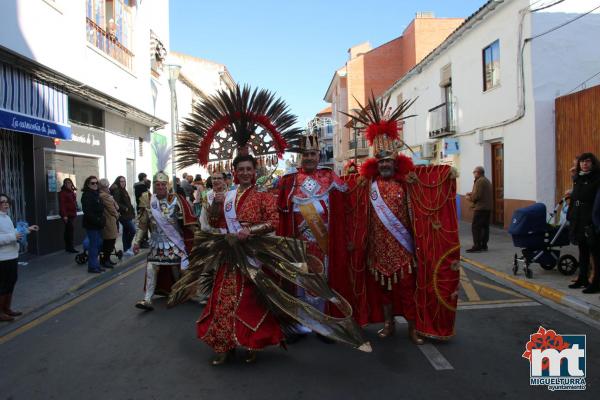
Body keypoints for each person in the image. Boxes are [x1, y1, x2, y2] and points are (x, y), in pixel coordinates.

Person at [197, 154, 283, 365]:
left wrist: (250, 230)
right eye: (241, 169)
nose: (245, 173)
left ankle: (251, 342)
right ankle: (224, 345)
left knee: (249, 301)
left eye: (248, 169)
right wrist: (216, 206)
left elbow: (274, 220)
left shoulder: (264, 195)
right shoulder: (228, 196)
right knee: (223, 298)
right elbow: (217, 221)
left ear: (255, 171)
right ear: (235, 172)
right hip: (230, 251)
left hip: (253, 254)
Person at [277, 128, 347, 340]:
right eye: (305, 154)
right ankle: (301, 324)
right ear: (301, 156)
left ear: (319, 155)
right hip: (298, 243)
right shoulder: (289, 181)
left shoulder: (330, 177)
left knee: (323, 281)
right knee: (300, 282)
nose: (309, 158)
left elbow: (346, 204)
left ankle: (324, 324)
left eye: (313, 154)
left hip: (324, 242)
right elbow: (281, 213)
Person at [132, 169, 197, 311]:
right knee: (151, 267)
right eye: (157, 185)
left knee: (176, 268)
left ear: (167, 185)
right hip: (156, 243)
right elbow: (142, 224)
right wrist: (136, 242)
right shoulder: (148, 200)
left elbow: (187, 222)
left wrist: (197, 236)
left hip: (174, 243)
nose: (160, 187)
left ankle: (177, 292)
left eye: (163, 184)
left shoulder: (176, 200)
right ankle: (147, 299)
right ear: (153, 186)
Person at [0, 193, 39, 321]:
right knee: (3, 285)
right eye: (2, 202)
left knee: (11, 282)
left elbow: (15, 233)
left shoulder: (6, 217)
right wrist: (12, 237)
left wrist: (28, 229)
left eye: (7, 202)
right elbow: (11, 236)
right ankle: (1, 312)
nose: (5, 204)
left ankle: (7, 309)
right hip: (3, 258)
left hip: (12, 255)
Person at [567, 152, 600, 293]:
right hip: (578, 220)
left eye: (587, 161)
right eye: (582, 162)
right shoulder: (578, 178)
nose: (584, 164)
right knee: (582, 251)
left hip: (590, 221)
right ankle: (582, 278)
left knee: (596, 254)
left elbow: (587, 197)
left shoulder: (596, 179)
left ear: (593, 163)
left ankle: (596, 283)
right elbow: (575, 198)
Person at [466, 166, 493, 253]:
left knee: (476, 227)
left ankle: (477, 246)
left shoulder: (480, 181)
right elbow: (482, 193)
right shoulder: (486, 180)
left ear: (478, 172)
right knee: (485, 227)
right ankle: (484, 245)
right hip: (487, 208)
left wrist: (469, 197)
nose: (473, 174)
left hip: (480, 208)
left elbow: (477, 196)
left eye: (474, 172)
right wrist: (472, 193)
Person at [81, 176, 105, 273]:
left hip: (98, 224)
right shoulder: (87, 195)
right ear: (88, 184)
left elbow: (101, 208)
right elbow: (88, 212)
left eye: (96, 183)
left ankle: (95, 264)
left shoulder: (96, 194)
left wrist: (102, 220)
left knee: (98, 244)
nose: (95, 185)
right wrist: (98, 220)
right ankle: (93, 267)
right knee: (94, 245)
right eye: (92, 183)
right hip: (92, 224)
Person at [110, 176, 136, 256]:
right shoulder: (117, 191)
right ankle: (127, 247)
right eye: (121, 181)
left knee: (126, 231)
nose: (123, 183)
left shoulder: (123, 190)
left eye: (124, 181)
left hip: (128, 214)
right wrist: (124, 208)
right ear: (118, 182)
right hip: (123, 215)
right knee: (133, 230)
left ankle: (126, 249)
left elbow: (127, 202)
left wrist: (131, 211)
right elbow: (116, 202)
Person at [98, 179, 119, 269]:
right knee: (109, 241)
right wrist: (117, 215)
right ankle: (105, 260)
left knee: (111, 240)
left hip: (110, 220)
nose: (108, 187)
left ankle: (107, 259)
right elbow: (113, 208)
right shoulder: (104, 196)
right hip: (109, 220)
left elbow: (116, 205)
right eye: (106, 186)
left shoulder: (107, 195)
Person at [59, 178, 78, 253]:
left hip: (72, 214)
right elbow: (62, 205)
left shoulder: (71, 192)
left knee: (69, 230)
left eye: (69, 182)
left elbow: (73, 202)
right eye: (66, 183)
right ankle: (70, 247)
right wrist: (64, 215)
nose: (68, 184)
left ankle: (68, 247)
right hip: (67, 215)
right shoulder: (62, 193)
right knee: (69, 231)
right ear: (64, 184)